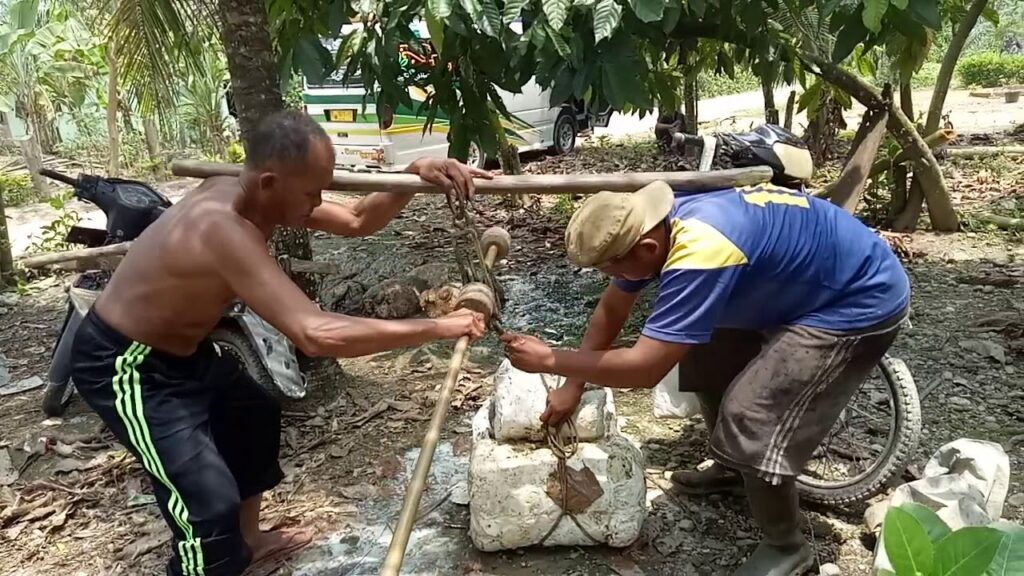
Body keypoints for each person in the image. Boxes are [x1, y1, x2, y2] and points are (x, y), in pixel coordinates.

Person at [70, 110, 490, 576]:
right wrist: (437, 326)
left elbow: (355, 219)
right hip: (127, 366)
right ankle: (213, 559)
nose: (319, 201)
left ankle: (249, 542)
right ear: (270, 182)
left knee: (252, 414)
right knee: (207, 510)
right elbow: (315, 333)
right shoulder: (223, 228)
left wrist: (410, 175)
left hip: (185, 354)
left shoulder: (254, 196)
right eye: (312, 192)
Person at [501, 180, 910, 576]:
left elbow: (645, 368)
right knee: (703, 353)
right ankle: (734, 471)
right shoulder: (655, 226)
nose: (609, 277)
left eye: (610, 267)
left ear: (645, 247)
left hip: (854, 301)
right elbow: (612, 311)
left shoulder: (701, 249)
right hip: (797, 283)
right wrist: (573, 386)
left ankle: (786, 546)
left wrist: (552, 360)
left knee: (752, 416)